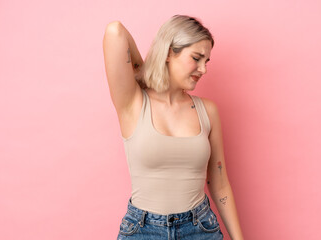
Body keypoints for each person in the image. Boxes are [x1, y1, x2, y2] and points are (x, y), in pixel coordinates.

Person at [103, 15, 244, 240]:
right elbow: (114, 32)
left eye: (206, 61)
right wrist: (144, 70)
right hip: (142, 230)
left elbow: (219, 183)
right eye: (196, 58)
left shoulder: (207, 111)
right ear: (169, 52)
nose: (203, 69)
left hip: (200, 228)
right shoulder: (133, 103)